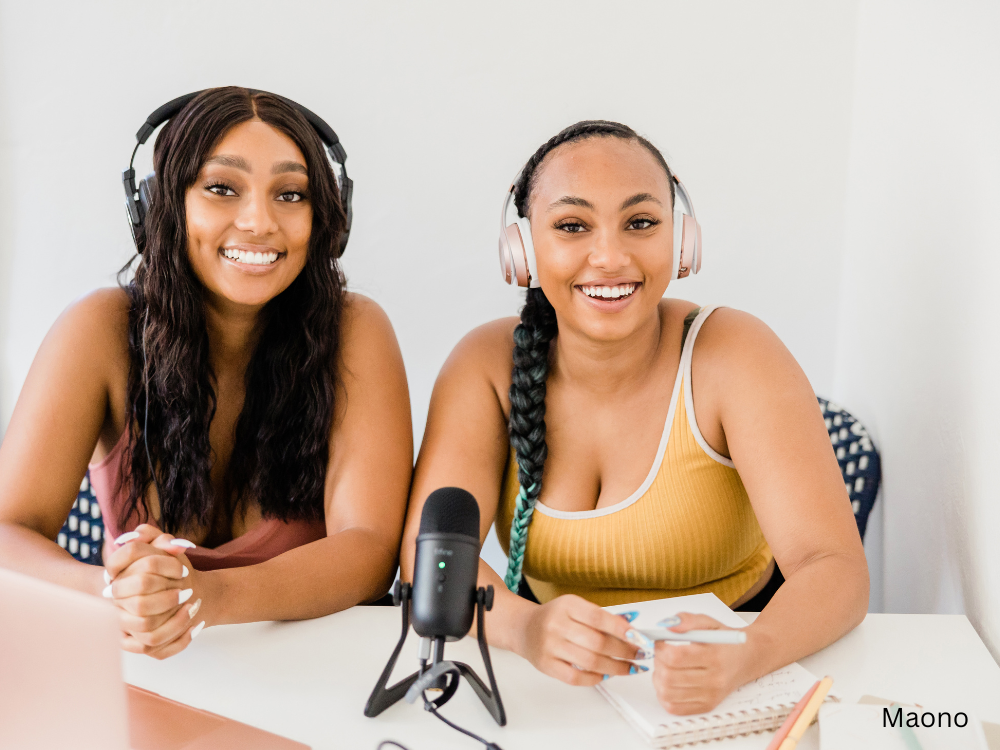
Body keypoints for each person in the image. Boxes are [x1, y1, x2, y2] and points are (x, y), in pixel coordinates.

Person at [401, 120, 868, 715]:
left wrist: (748, 651)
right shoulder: (485, 365)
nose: (611, 256)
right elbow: (430, 559)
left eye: (641, 223)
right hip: (553, 681)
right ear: (521, 250)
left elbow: (835, 568)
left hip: (739, 667)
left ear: (681, 239)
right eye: (572, 226)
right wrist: (525, 630)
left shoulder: (734, 353)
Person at [0, 87, 412, 659]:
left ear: (324, 220)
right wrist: (116, 592)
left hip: (316, 674)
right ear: (162, 205)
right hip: (153, 675)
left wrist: (207, 597)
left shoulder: (356, 330)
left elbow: (370, 551)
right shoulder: (98, 330)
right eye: (222, 188)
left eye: (290, 194)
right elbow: (7, 532)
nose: (259, 221)